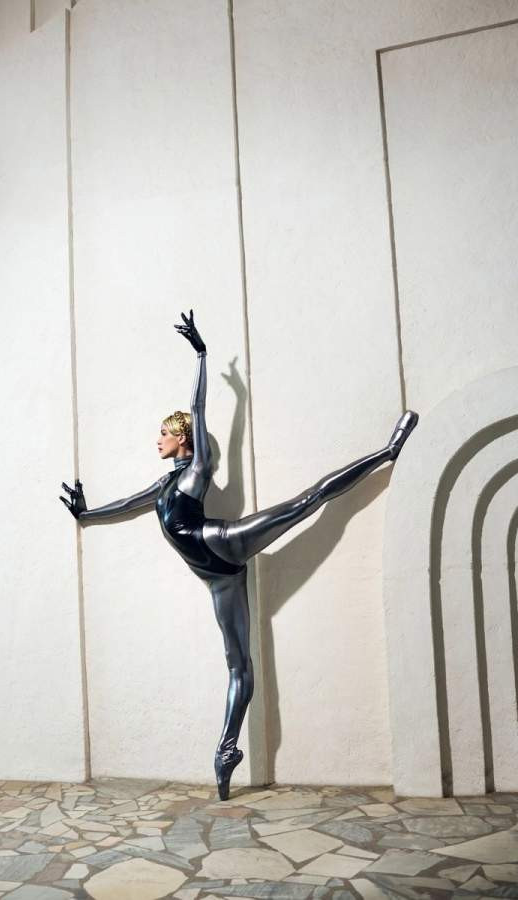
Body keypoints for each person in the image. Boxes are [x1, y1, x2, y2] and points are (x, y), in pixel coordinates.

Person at [60, 310, 418, 800]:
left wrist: (201, 355)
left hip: (223, 542)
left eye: (163, 433)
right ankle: (227, 751)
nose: (157, 440)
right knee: (238, 665)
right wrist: (86, 512)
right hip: (218, 579)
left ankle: (387, 451)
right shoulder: (163, 485)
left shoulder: (196, 470)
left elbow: (199, 408)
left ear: (181, 438)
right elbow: (124, 505)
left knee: (308, 502)